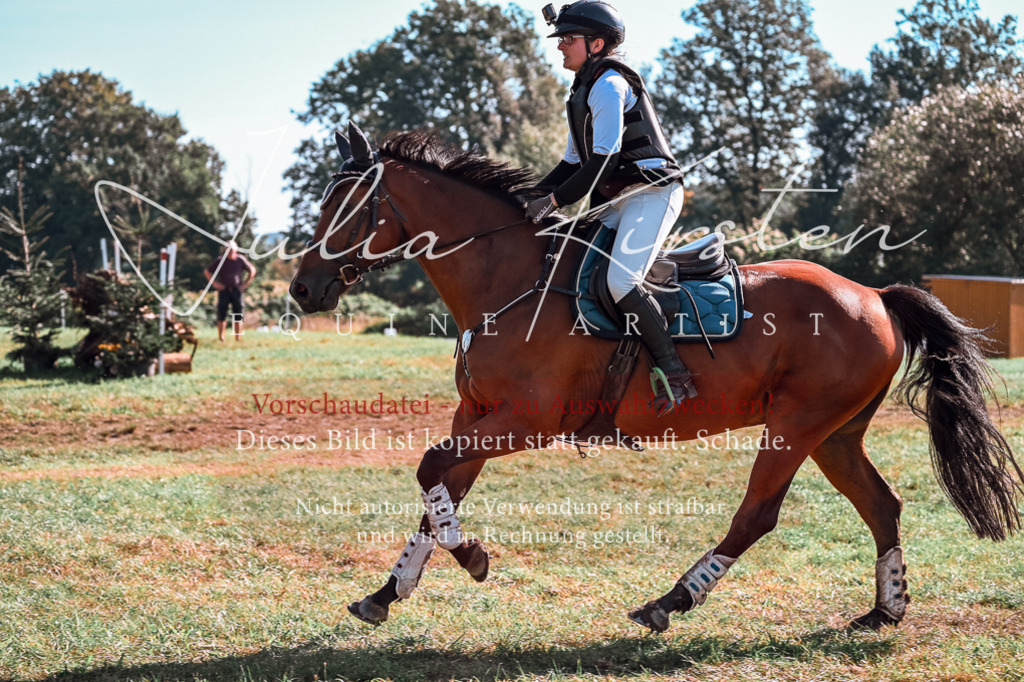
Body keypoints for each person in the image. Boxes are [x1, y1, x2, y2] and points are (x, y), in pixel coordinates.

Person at [526, 0, 697, 415]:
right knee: (570, 262)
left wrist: (553, 201)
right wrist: (526, 197)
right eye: (561, 38)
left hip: (653, 194)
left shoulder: (609, 85)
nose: (561, 46)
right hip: (620, 199)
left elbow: (602, 159)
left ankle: (676, 375)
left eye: (568, 39)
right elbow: (571, 162)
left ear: (596, 43)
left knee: (622, 283)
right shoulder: (582, 91)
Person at [204, 240, 256, 341]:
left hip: (237, 290)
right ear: (225, 250)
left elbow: (252, 270)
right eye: (228, 249)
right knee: (222, 313)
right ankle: (221, 337)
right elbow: (207, 271)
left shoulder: (240, 259)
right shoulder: (220, 260)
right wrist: (215, 284)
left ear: (236, 249)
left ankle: (238, 337)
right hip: (224, 291)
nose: (231, 251)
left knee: (238, 313)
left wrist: (246, 283)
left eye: (232, 249)